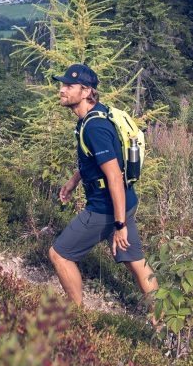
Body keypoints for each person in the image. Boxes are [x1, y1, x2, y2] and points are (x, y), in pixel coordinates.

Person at [47, 63, 157, 309]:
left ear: (86, 92)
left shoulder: (94, 127)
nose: (62, 90)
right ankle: (165, 324)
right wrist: (75, 180)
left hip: (106, 209)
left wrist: (119, 225)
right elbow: (98, 161)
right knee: (136, 262)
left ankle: (76, 315)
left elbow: (115, 176)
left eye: (69, 86)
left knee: (60, 255)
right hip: (124, 202)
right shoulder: (95, 115)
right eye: (63, 85)